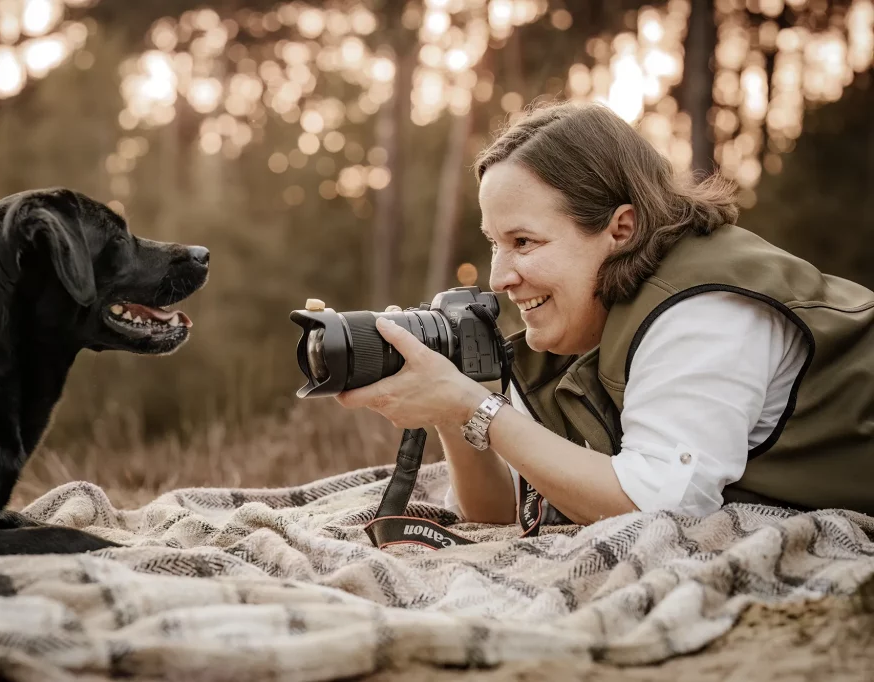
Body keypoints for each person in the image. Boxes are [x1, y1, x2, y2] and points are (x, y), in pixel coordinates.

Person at [335, 100, 874, 527]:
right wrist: (451, 405)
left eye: (523, 241)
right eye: (494, 242)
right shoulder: (578, 321)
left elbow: (658, 507)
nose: (498, 278)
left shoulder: (702, 310)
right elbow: (498, 512)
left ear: (621, 230)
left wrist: (475, 406)